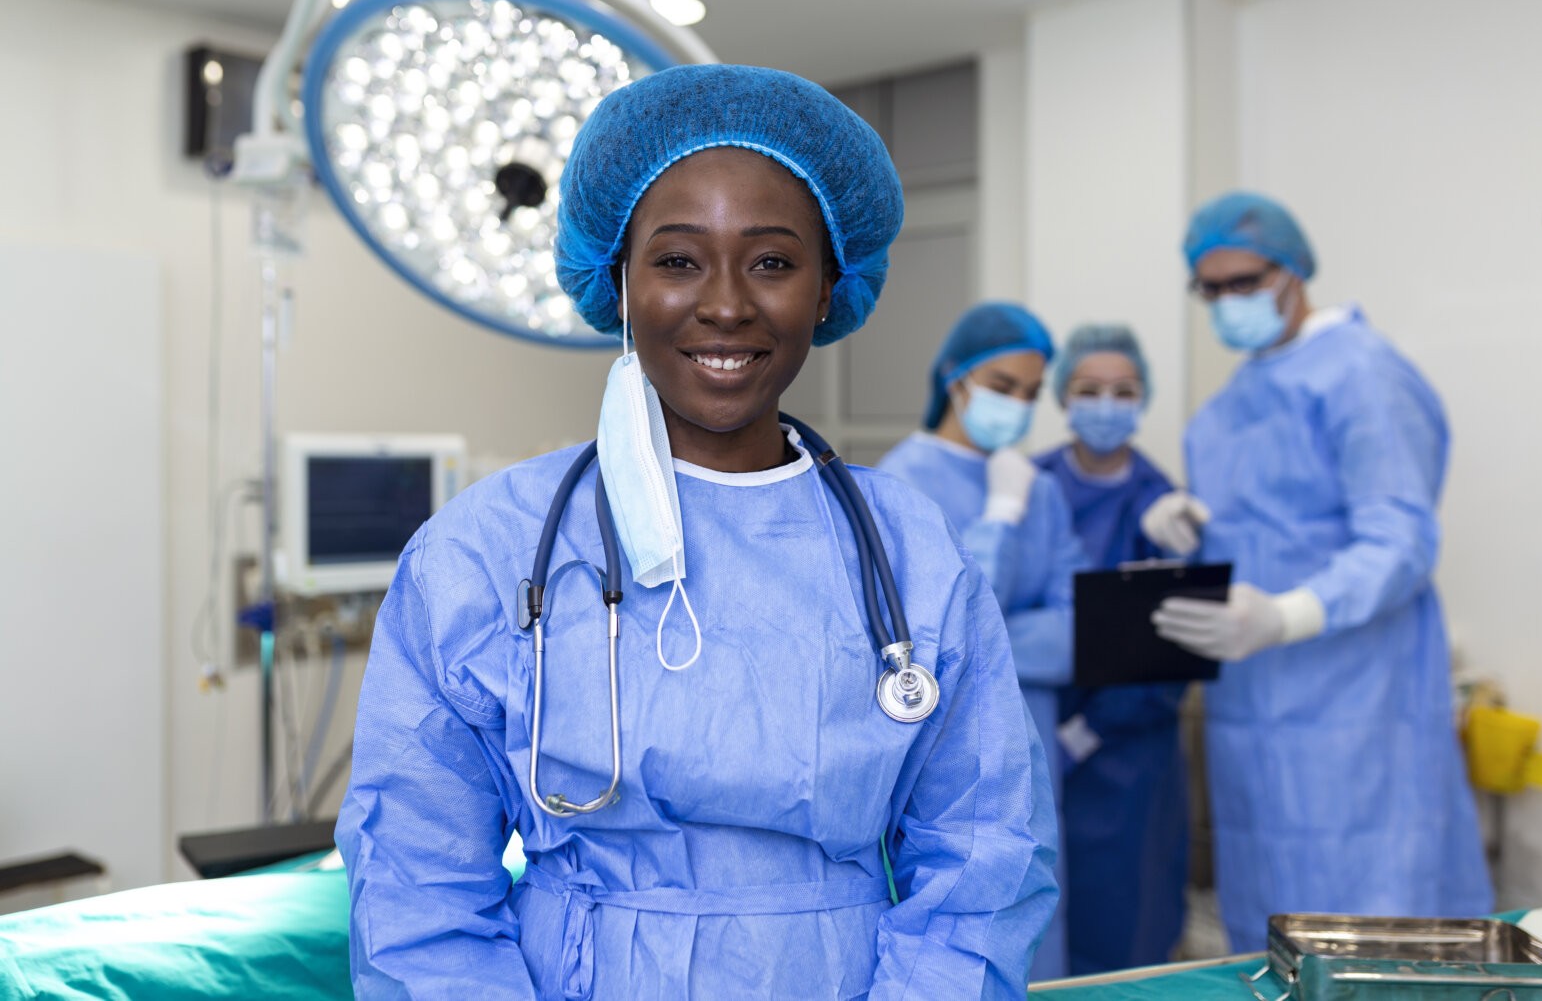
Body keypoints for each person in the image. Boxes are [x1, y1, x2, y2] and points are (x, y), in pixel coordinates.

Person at [336, 64, 1058, 1000]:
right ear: (619, 281)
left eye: (772, 261)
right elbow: (415, 887)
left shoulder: (911, 551)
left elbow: (982, 863)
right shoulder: (487, 548)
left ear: (831, 287)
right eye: (677, 260)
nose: (725, 303)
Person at [1146, 191, 1492, 952]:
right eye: (1213, 289)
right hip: (1253, 706)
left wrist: (1285, 615)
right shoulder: (1236, 399)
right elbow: (1265, 532)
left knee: (1370, 915)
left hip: (1356, 702)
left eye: (1246, 282)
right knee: (1270, 914)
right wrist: (1189, 521)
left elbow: (1400, 539)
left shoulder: (1361, 376)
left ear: (1293, 271)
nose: (1229, 302)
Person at [877, 301, 1084, 981]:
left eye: (1030, 393)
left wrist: (988, 634)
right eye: (1002, 385)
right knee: (951, 920)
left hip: (1034, 735)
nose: (1017, 405)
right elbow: (922, 644)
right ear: (954, 378)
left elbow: (1075, 626)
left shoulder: (1041, 490)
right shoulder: (897, 484)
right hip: (934, 746)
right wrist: (998, 518)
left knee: (1027, 893)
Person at [1033, 324, 1188, 975]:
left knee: (1128, 919)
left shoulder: (1163, 504)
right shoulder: (1032, 486)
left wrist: (1092, 729)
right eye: (1088, 389)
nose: (1105, 404)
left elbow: (1175, 640)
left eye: (1121, 391)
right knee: (1038, 908)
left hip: (1131, 752)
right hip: (1036, 723)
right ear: (1063, 396)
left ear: (1143, 398)